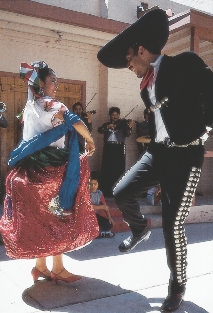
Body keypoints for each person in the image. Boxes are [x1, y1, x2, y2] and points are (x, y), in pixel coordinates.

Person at [97, 8, 213, 312]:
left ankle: (177, 289)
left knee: (173, 226)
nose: (129, 66)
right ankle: (140, 230)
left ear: (142, 50)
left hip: (187, 156)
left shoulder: (184, 63)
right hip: (159, 153)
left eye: (130, 60)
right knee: (121, 191)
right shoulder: (146, 86)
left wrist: (205, 128)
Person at [0, 61, 99, 284]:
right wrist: (90, 141)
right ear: (41, 84)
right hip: (51, 173)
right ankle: (58, 269)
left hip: (29, 172)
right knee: (57, 218)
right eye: (52, 80)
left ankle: (40, 266)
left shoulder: (30, 107)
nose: (56, 84)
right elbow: (76, 121)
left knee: (43, 220)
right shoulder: (51, 104)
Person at [98, 106, 134, 197]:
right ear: (110, 115)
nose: (115, 116)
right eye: (113, 115)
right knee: (107, 168)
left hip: (119, 147)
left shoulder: (123, 124)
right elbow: (100, 130)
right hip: (108, 147)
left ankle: (117, 191)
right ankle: (106, 191)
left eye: (117, 114)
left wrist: (129, 127)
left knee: (119, 167)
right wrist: (107, 126)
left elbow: (127, 134)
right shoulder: (106, 124)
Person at [90, 172, 115, 238]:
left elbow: (105, 207)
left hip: (95, 215)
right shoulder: (87, 193)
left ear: (98, 184)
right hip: (87, 215)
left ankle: (100, 233)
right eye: (91, 184)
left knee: (109, 224)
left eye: (95, 184)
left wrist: (109, 218)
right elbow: (89, 207)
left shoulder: (99, 193)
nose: (93, 186)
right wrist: (102, 207)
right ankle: (99, 234)